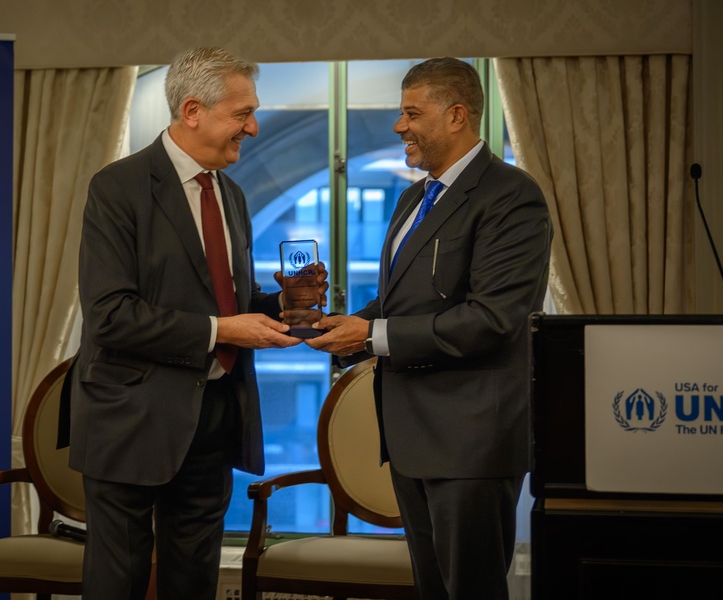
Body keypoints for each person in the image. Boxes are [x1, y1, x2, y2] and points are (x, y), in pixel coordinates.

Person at [65, 47, 327, 600]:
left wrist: (285, 306)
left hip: (213, 415)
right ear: (192, 111)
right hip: (130, 419)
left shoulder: (229, 192)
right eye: (242, 114)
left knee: (195, 580)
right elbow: (111, 316)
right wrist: (223, 332)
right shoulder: (117, 189)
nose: (253, 128)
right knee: (119, 582)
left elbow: (225, 298)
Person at [307, 57, 552, 599]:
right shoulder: (413, 198)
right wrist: (345, 325)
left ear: (457, 115)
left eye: (412, 113)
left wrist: (369, 338)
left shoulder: (512, 196)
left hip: (471, 440)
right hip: (412, 435)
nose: (399, 127)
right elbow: (405, 303)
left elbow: (491, 321)